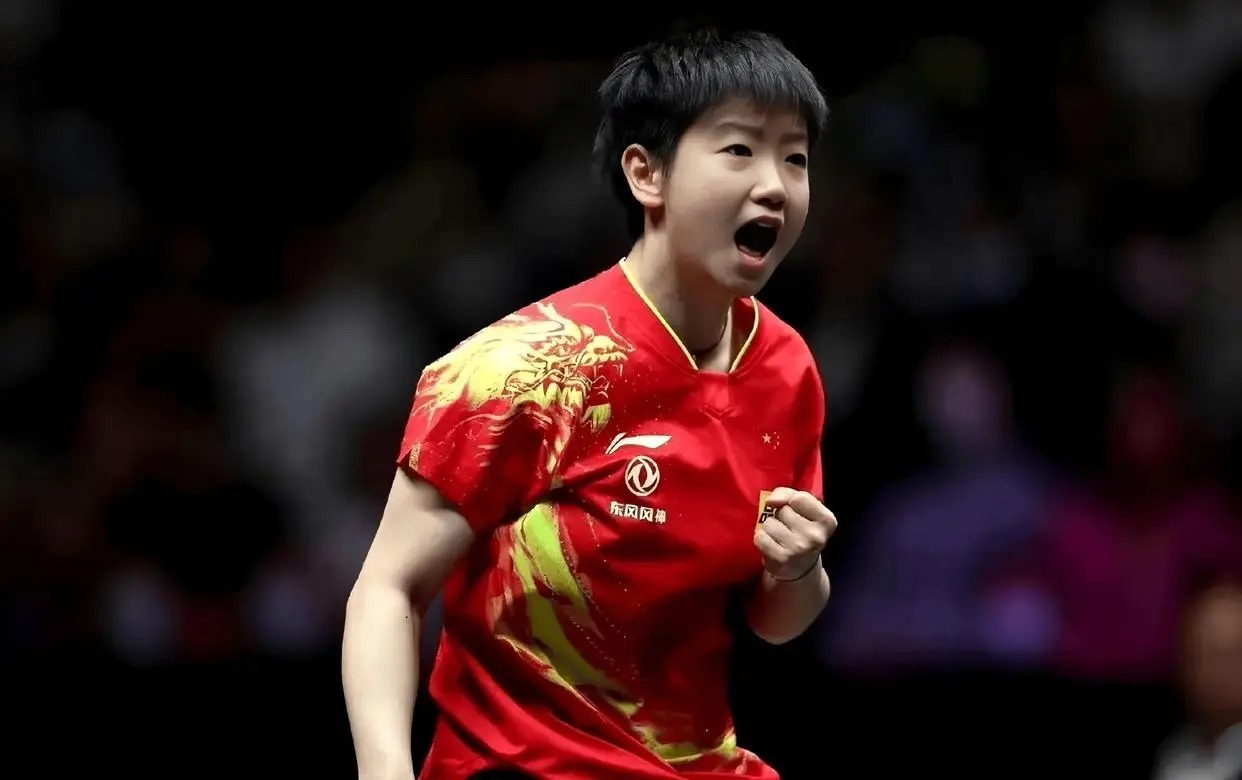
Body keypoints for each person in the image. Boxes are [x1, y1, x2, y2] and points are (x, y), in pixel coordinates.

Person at [342, 26, 836, 780]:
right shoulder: (526, 371)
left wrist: (798, 571)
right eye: (739, 149)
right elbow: (389, 589)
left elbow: (774, 622)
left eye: (794, 158)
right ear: (647, 174)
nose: (775, 184)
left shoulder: (785, 368)